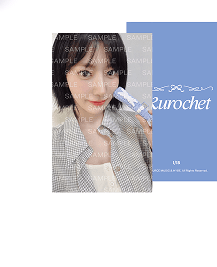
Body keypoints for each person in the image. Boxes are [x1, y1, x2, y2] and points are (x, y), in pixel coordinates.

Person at [52, 33, 152, 192]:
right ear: (63, 74)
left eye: (111, 72)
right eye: (85, 73)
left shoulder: (140, 128)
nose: (101, 90)